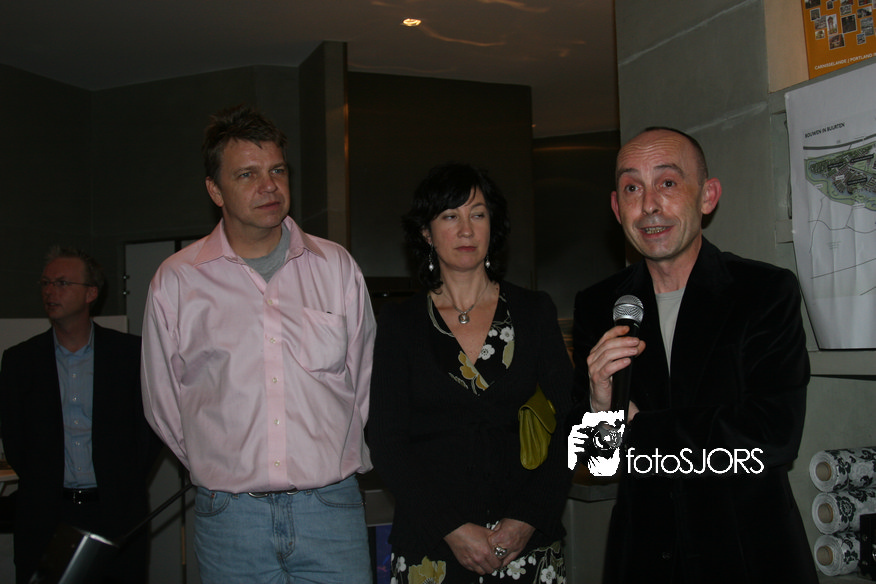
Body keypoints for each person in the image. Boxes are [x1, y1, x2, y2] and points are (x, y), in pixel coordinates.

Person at [141, 104, 376, 584]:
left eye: (277, 171)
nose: (269, 186)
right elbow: (163, 404)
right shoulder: (177, 281)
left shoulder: (336, 268)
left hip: (330, 510)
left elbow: (364, 383)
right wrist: (222, 467)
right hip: (230, 520)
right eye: (247, 174)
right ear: (215, 190)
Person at [573, 127, 818, 583]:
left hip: (748, 555)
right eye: (632, 188)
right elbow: (597, 463)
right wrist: (599, 405)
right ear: (617, 208)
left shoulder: (763, 292)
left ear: (707, 196)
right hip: (643, 559)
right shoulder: (600, 306)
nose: (649, 205)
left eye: (667, 183)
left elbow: (770, 437)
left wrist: (639, 431)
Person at [369, 163, 573, 584]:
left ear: (492, 225)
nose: (466, 230)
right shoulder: (400, 324)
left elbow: (571, 425)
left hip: (527, 546)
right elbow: (387, 442)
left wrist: (527, 518)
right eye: (450, 216)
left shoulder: (535, 312)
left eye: (477, 214)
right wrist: (452, 528)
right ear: (426, 233)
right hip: (432, 547)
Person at [0, 246, 161, 584]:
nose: (49, 291)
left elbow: (149, 433)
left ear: (91, 293)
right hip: (46, 512)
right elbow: (14, 437)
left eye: (61, 283)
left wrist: (124, 483)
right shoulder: (20, 360)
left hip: (115, 509)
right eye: (45, 283)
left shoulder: (130, 355)